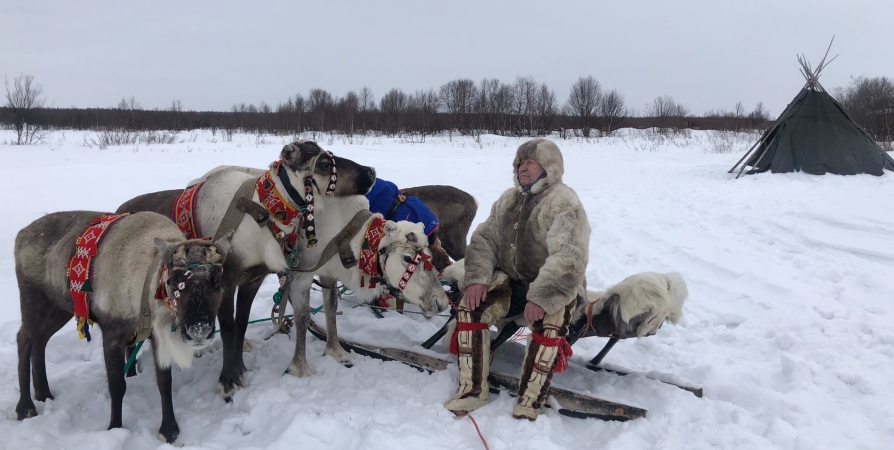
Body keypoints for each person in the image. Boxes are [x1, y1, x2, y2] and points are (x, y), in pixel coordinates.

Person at [444, 138, 590, 420]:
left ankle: (530, 400)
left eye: (530, 162)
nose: (523, 167)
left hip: (555, 288)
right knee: (470, 308)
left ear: (548, 167)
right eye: (520, 162)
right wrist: (476, 278)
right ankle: (472, 391)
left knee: (549, 324)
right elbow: (484, 240)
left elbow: (569, 257)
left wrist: (541, 296)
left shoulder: (564, 202)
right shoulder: (508, 200)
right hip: (512, 283)